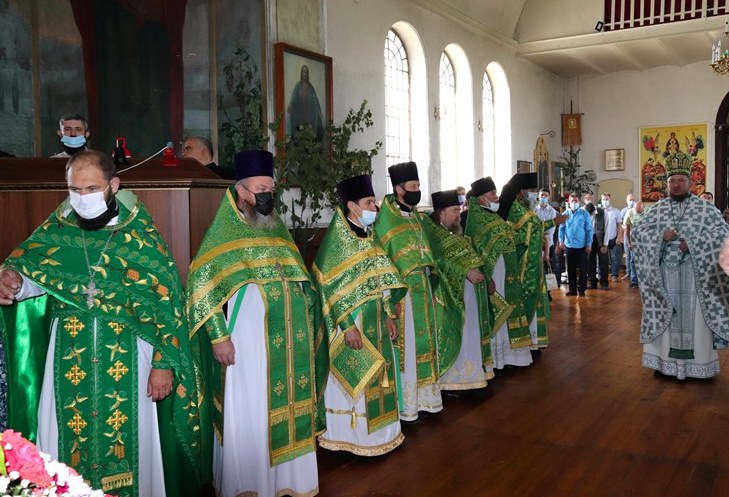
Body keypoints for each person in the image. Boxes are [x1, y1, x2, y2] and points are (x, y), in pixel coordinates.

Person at [0, 150, 204, 497]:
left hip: (131, 362)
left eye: (91, 188)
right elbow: (34, 275)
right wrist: (14, 281)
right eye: (74, 190)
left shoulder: (140, 238)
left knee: (132, 457)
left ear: (113, 185)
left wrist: (163, 364)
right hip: (68, 360)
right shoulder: (57, 232)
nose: (82, 199)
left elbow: (165, 305)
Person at [185, 150, 319, 496]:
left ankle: (289, 481)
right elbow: (202, 286)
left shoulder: (275, 227)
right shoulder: (223, 232)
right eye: (261, 188)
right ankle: (251, 484)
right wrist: (218, 337)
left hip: (289, 340)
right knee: (252, 408)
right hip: (248, 341)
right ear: (241, 190)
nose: (267, 195)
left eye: (271, 188)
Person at [313, 174, 406, 456]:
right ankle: (349, 438)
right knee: (355, 380)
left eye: (374, 202)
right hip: (351, 326)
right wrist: (347, 326)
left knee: (380, 377)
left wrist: (389, 314)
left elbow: (379, 282)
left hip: (376, 320)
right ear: (352, 205)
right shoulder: (336, 243)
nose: (375, 208)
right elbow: (327, 290)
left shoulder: (369, 236)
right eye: (369, 202)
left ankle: (381, 435)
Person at [633, 151, 729, 379]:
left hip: (697, 280)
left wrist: (695, 244)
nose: (675, 185)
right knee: (668, 318)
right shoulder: (657, 209)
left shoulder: (706, 210)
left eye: (680, 181)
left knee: (695, 321)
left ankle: (699, 368)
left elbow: (722, 235)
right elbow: (638, 232)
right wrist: (659, 236)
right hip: (665, 278)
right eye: (671, 181)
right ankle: (665, 365)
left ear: (691, 183)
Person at [373, 161, 441, 421]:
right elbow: (381, 261)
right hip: (403, 294)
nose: (417, 190)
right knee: (408, 347)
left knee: (425, 344)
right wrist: (389, 302)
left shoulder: (417, 217)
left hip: (422, 287)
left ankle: (427, 401)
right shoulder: (384, 220)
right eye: (413, 187)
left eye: (418, 186)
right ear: (399, 188)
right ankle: (408, 405)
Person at [423, 189, 489, 390]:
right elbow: (439, 261)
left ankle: (473, 376)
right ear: (441, 213)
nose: (458, 214)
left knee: (470, 331)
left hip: (469, 293)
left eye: (459, 210)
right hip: (447, 296)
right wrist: (465, 271)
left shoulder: (456, 233)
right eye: (454, 210)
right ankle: (454, 381)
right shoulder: (434, 235)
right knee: (457, 333)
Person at [463, 177, 527, 370]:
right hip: (490, 274)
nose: (497, 197)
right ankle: (496, 360)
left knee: (507, 309)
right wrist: (486, 275)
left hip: (506, 272)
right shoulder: (471, 219)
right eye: (492, 194)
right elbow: (473, 249)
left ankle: (509, 356)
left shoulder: (494, 216)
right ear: (481, 199)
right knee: (495, 313)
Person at [499, 173, 562, 349]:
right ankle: (524, 343)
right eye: (532, 190)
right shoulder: (515, 208)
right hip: (523, 262)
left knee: (537, 297)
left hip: (531, 260)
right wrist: (553, 222)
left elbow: (534, 228)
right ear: (521, 191)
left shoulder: (523, 207)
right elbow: (531, 229)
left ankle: (534, 342)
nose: (534, 194)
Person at [558, 192, 593, 297]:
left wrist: (589, 244)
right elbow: (561, 229)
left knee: (583, 269)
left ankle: (582, 290)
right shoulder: (565, 214)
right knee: (570, 269)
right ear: (569, 202)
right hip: (569, 246)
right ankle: (572, 289)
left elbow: (589, 230)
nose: (574, 203)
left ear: (579, 202)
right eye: (572, 201)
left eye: (576, 201)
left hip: (582, 246)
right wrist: (561, 241)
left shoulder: (584, 214)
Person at [287, 64, 324, 142]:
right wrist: (290, 105)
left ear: (307, 74)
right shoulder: (298, 86)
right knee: (299, 130)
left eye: (306, 72)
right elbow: (294, 96)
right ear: (301, 73)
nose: (304, 74)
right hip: (300, 112)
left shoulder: (310, 87)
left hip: (308, 112)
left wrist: (319, 111)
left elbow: (315, 99)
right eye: (303, 72)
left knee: (309, 130)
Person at [584, 200, 609, 290]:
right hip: (590, 239)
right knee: (590, 261)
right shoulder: (584, 212)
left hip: (601, 239)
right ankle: (592, 282)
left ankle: (604, 282)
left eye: (591, 214)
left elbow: (607, 228)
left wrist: (605, 244)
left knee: (603, 261)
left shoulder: (603, 212)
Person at [600, 193, 622, 281]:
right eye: (603, 199)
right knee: (602, 259)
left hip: (613, 238)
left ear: (610, 199)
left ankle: (614, 275)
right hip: (602, 240)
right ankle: (601, 275)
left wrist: (619, 237)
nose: (605, 201)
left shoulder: (616, 211)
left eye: (607, 199)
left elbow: (619, 225)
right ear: (601, 201)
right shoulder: (599, 211)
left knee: (614, 258)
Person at [623, 200, 644, 288]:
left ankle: (644, 281)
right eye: (636, 210)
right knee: (633, 261)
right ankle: (634, 281)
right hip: (634, 240)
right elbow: (627, 229)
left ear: (642, 208)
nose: (638, 212)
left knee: (644, 261)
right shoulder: (630, 212)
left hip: (644, 241)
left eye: (639, 210)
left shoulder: (648, 212)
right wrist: (629, 243)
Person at [619, 194, 637, 282]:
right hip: (626, 236)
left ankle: (635, 274)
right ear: (626, 201)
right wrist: (622, 236)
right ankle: (628, 273)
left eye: (633, 199)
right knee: (627, 255)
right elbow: (621, 224)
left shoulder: (637, 209)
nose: (632, 201)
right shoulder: (623, 211)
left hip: (636, 237)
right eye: (630, 200)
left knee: (635, 256)